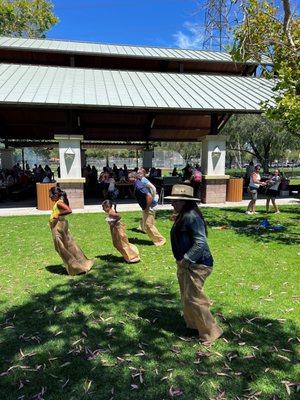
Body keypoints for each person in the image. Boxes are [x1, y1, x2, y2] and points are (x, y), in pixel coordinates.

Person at [165, 184, 222, 344]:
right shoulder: (185, 215)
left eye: (175, 201)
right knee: (187, 296)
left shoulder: (191, 216)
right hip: (187, 264)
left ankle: (211, 332)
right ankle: (194, 326)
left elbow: (200, 242)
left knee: (194, 299)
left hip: (197, 264)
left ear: (185, 202)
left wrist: (187, 260)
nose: (172, 204)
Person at [49, 186, 94, 276]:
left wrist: (58, 214)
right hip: (58, 226)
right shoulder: (58, 202)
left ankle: (76, 268)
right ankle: (80, 264)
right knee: (67, 246)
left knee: (61, 248)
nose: (49, 197)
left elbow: (69, 210)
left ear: (56, 195)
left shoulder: (59, 203)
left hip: (58, 227)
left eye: (50, 195)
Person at [128, 172, 166, 246]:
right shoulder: (137, 184)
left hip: (150, 206)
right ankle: (156, 240)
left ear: (134, 178)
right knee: (146, 225)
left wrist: (147, 207)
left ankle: (161, 240)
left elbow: (149, 196)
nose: (128, 179)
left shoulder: (139, 186)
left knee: (149, 225)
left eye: (129, 177)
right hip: (146, 207)